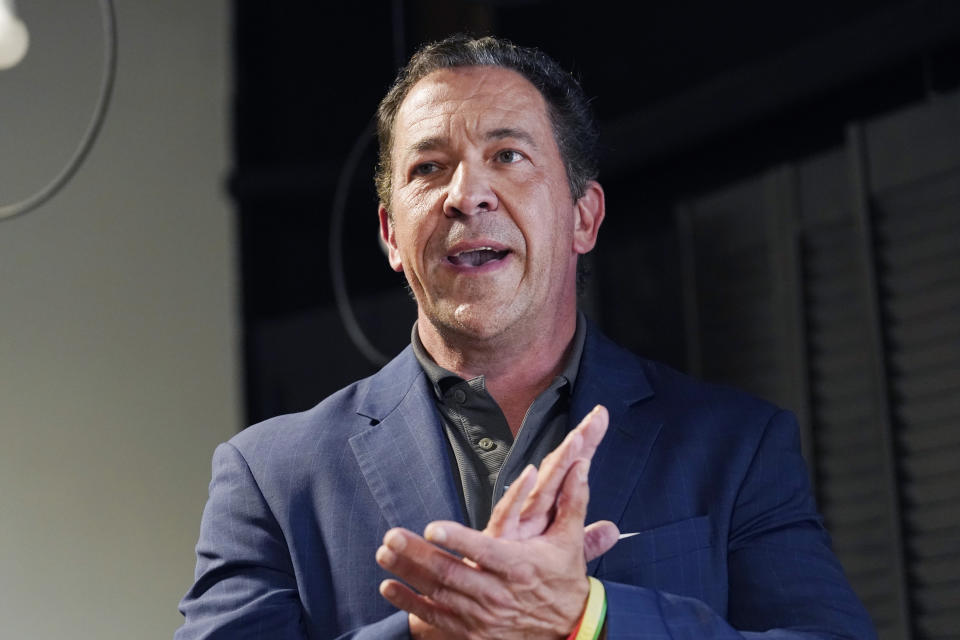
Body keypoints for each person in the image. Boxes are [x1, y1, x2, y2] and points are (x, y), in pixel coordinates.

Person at [176, 34, 875, 639]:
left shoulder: (735, 446)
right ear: (392, 235)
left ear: (583, 217)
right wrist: (433, 633)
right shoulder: (271, 477)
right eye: (428, 168)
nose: (465, 194)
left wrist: (587, 617)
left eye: (507, 155)